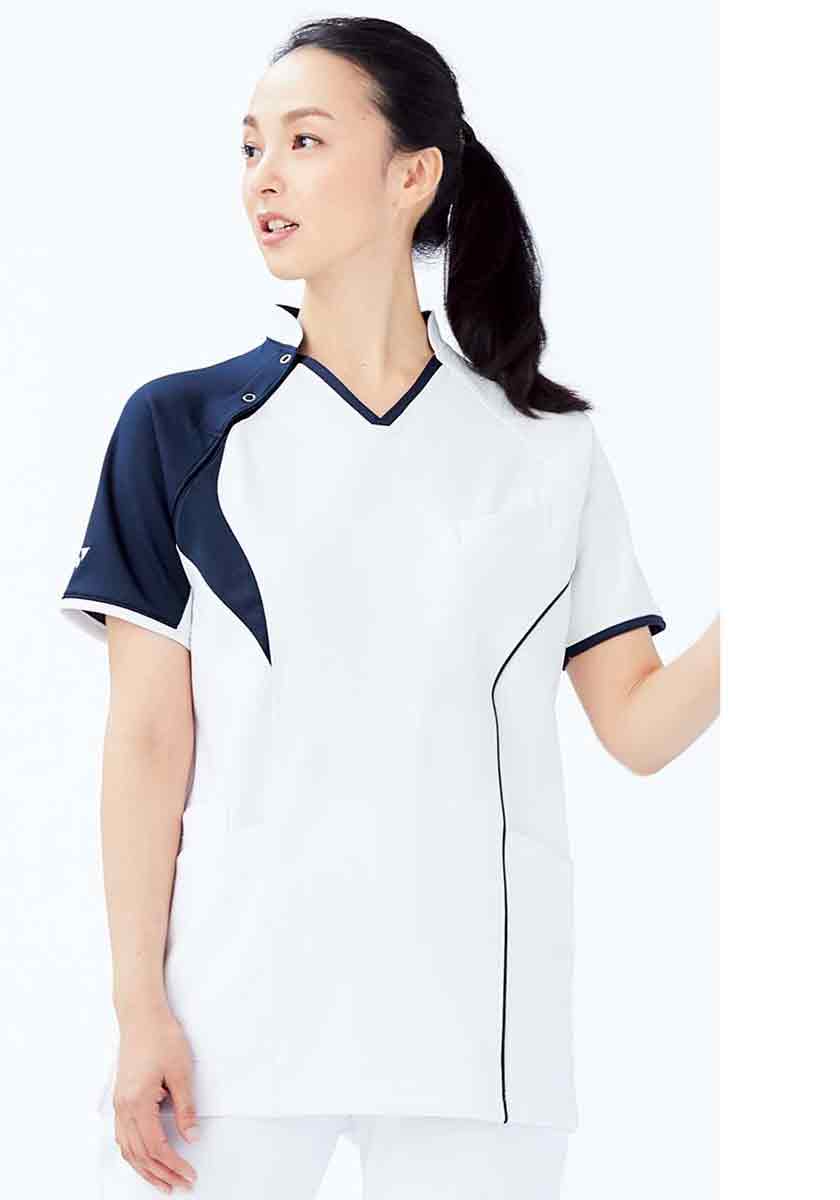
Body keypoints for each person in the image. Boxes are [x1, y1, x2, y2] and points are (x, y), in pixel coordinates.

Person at [57, 16, 720, 1199]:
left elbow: (638, 725)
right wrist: (137, 1005)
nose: (263, 175)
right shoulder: (180, 429)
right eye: (250, 146)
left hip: (483, 1038)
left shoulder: (545, 447)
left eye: (304, 140)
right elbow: (148, 741)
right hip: (232, 1031)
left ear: (413, 175)